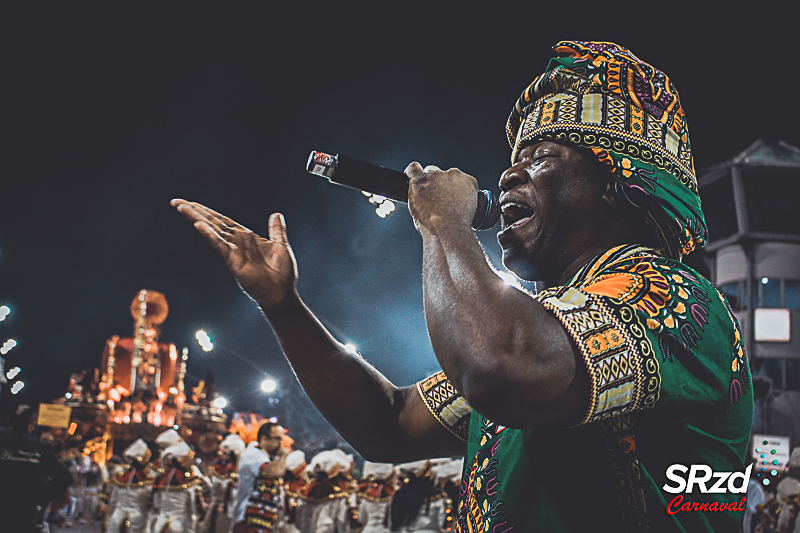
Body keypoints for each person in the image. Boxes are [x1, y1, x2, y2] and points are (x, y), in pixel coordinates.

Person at [172, 40, 753, 532]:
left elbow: (497, 368)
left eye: (542, 155)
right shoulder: (549, 324)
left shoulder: (675, 298)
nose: (507, 173)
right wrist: (283, 306)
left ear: (615, 181)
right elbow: (390, 422)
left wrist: (444, 222)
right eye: (513, 158)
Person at [0, 404, 74, 533]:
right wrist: (43, 494)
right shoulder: (41, 448)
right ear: (32, 424)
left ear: (9, 420)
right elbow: (65, 478)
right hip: (26, 509)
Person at [231, 421, 290, 532]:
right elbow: (273, 471)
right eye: (277, 439)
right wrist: (283, 455)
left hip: (262, 521)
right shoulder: (252, 455)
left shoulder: (265, 457)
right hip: (247, 520)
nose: (280, 443)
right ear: (264, 438)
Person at [106, 438, 153, 533]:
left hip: (117, 517)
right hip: (138, 518)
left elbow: (113, 501)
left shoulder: (121, 480)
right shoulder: (148, 483)